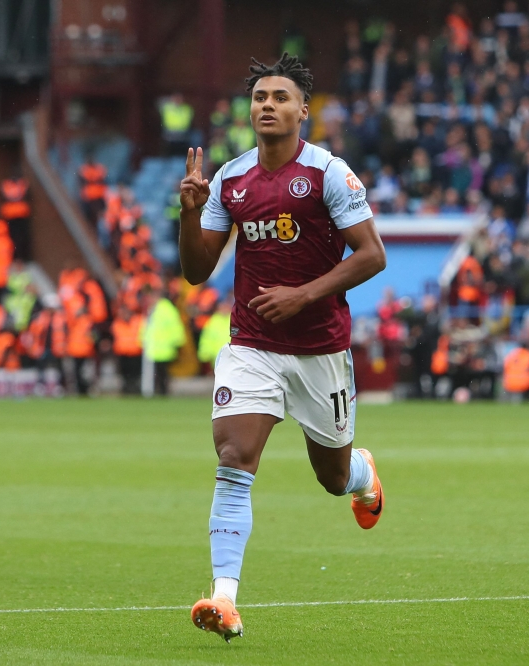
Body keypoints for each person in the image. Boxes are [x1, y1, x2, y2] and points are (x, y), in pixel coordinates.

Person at [177, 53, 387, 641]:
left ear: (302, 111)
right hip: (252, 343)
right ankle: (224, 600)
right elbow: (196, 271)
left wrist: (303, 296)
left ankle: (364, 474)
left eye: (280, 97)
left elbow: (372, 255)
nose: (267, 105)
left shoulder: (329, 173)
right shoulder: (230, 178)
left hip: (320, 349)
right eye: (259, 97)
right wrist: (189, 214)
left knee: (332, 475)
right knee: (233, 460)